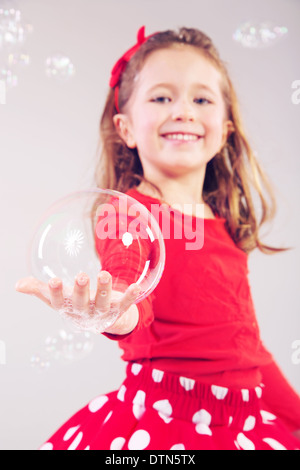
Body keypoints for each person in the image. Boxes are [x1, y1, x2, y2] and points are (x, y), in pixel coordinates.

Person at [16, 26, 300, 450]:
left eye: (201, 99)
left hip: (242, 426)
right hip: (168, 426)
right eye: (162, 97)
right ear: (126, 129)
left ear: (224, 131)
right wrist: (114, 309)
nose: (183, 110)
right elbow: (131, 288)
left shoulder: (219, 222)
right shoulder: (129, 214)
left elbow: (246, 349)